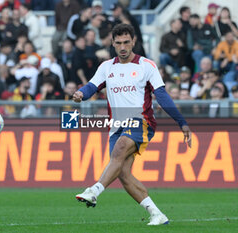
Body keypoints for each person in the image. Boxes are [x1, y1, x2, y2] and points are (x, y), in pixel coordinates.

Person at [73, 24, 191, 226]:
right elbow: (92, 86)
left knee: (119, 150)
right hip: (116, 126)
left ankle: (94, 191)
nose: (123, 47)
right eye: (118, 43)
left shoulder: (146, 66)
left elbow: (161, 95)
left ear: (134, 42)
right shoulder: (106, 67)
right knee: (124, 174)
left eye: (126, 42)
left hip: (141, 121)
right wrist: (81, 93)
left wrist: (181, 122)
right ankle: (157, 214)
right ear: (112, 43)